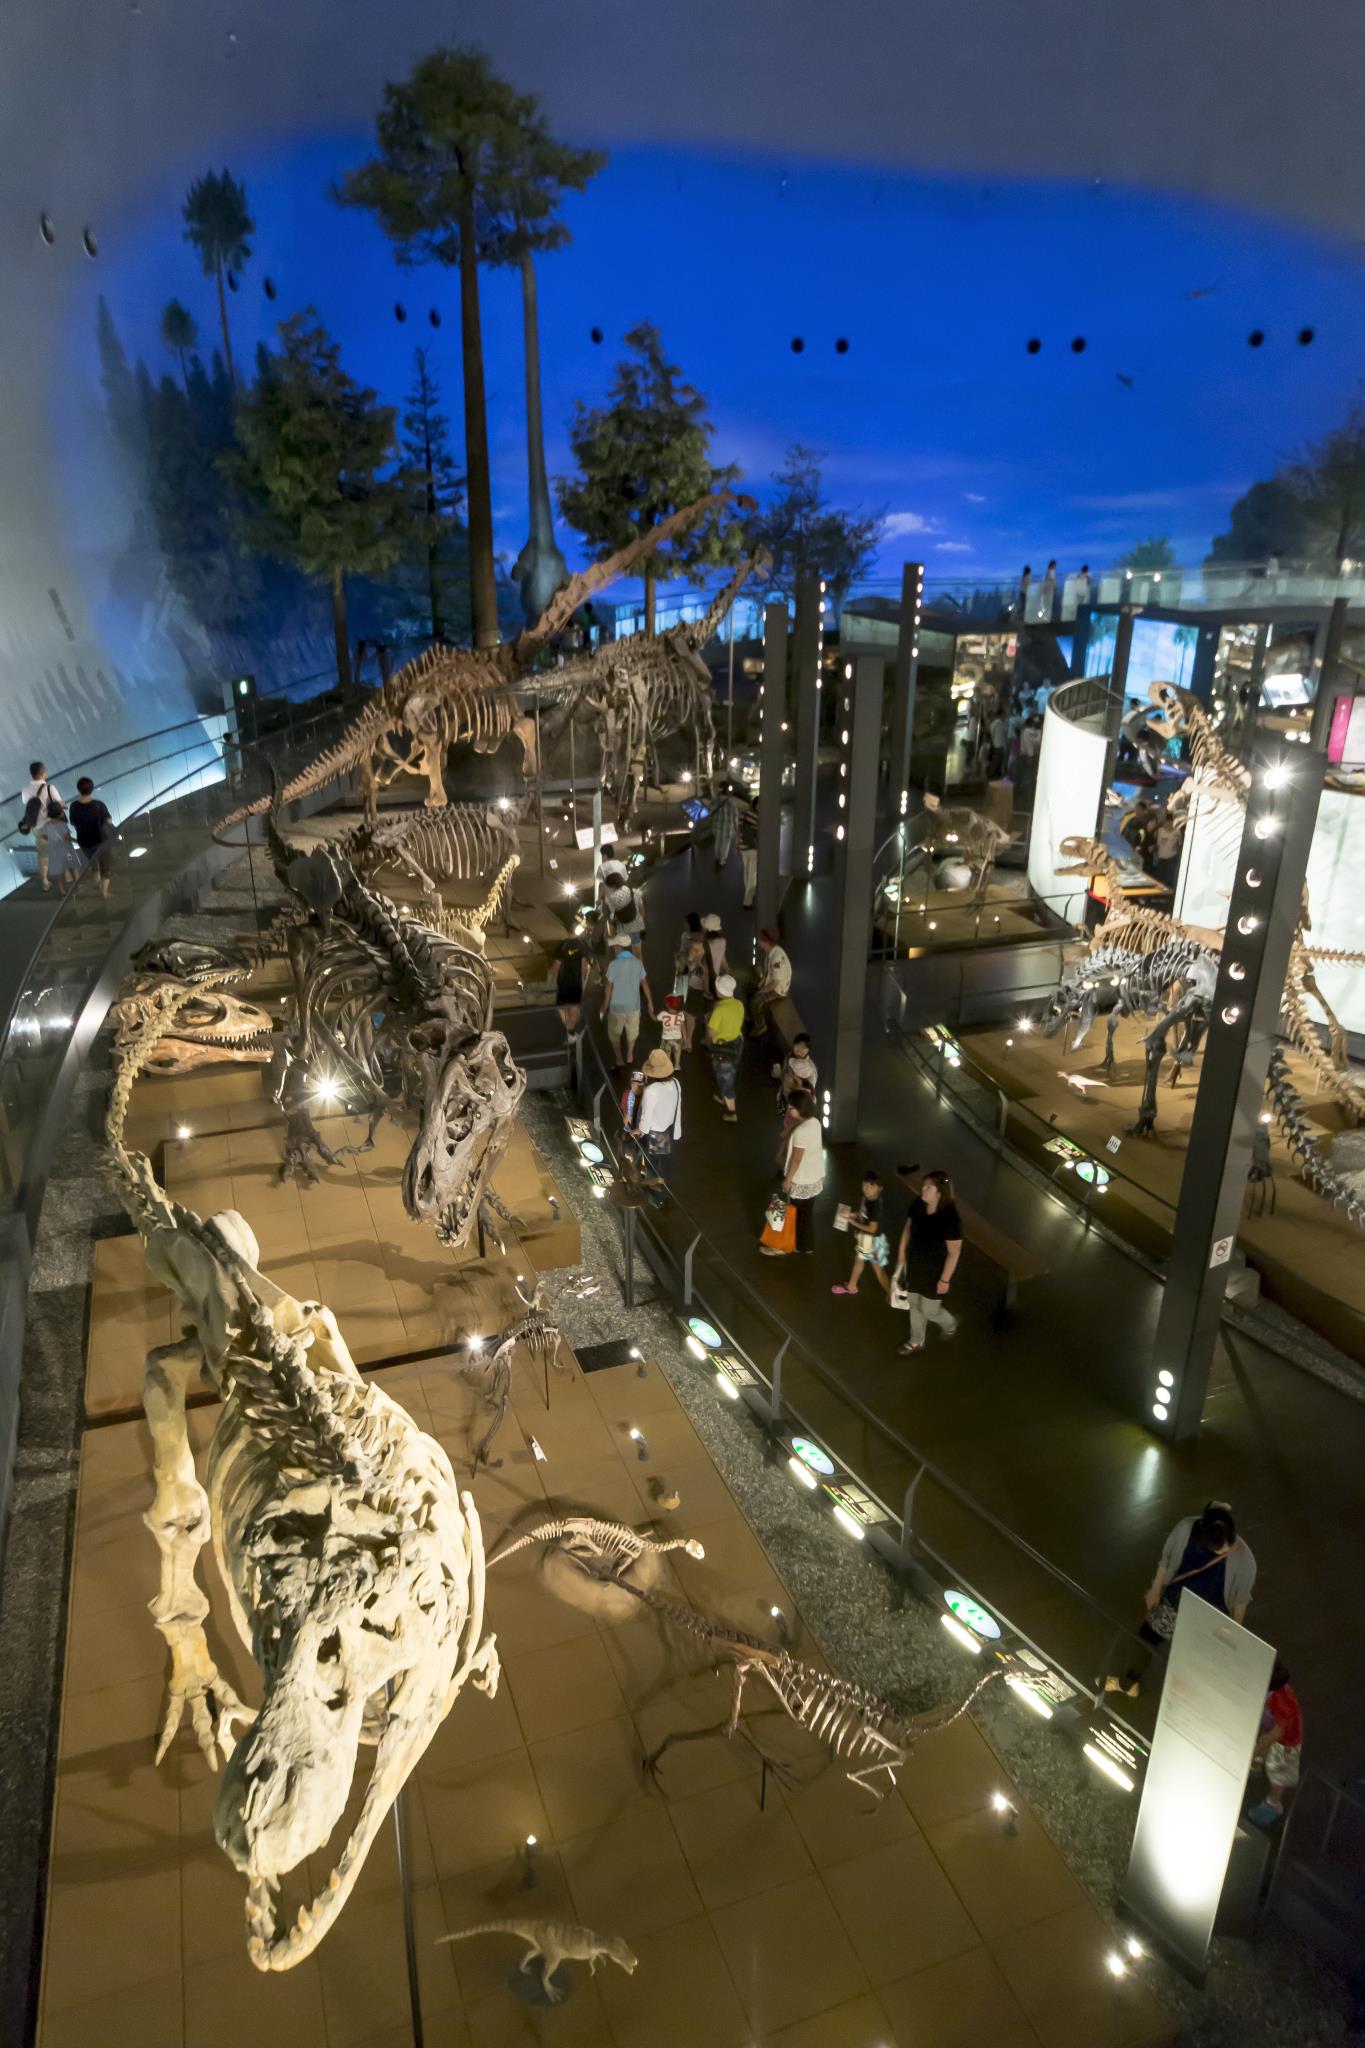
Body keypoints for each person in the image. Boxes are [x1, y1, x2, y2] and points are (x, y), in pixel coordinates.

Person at [1105, 1502, 1256, 1696]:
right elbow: (1166, 1559)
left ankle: (1181, 1707)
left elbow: (1240, 1602)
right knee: (1144, 1641)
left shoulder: (1245, 1560)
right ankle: (1128, 1684)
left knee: (1190, 1667)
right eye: (1219, 1549)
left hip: (1208, 1621)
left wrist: (1232, 1632)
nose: (1227, 1550)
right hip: (1172, 1604)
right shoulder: (1186, 1528)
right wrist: (1155, 1589)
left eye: (1230, 1543)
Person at [894, 1169, 963, 1353]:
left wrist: (945, 1280)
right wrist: (901, 1250)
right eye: (924, 1185)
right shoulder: (919, 1203)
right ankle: (916, 1341)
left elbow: (954, 1252)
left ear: (940, 1192)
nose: (923, 1189)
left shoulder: (950, 1217)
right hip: (915, 1265)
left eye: (928, 1187)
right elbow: (908, 1226)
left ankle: (950, 1323)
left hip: (935, 1272)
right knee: (915, 1304)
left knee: (930, 1310)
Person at [1248, 1660, 1303, 1825]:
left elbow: (1278, 1732)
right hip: (1269, 1726)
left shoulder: (1280, 1701)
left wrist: (1255, 1751)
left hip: (1286, 1743)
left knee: (1279, 1770)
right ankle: (1257, 1765)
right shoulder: (1270, 1693)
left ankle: (1274, 1804)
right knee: (1263, 1744)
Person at [776, 1091, 824, 1253]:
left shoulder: (802, 1131)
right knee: (806, 1214)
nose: (790, 1111)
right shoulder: (815, 1122)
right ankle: (805, 1245)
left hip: (802, 1179)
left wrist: (788, 1179)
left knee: (795, 1214)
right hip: (814, 1176)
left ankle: (789, 1244)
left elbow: (796, 1159)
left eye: (792, 1108)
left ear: (801, 1108)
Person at [832, 1170, 891, 1297]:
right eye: (865, 1185)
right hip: (866, 1239)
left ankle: (892, 1295)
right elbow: (863, 1213)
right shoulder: (867, 1198)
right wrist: (853, 1214)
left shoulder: (875, 1207)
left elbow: (872, 1229)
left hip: (872, 1241)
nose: (867, 1189)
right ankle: (852, 1286)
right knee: (859, 1260)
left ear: (879, 1189)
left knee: (879, 1270)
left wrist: (853, 1223)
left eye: (871, 1186)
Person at [19, 759, 73, 893]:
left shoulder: (25, 790)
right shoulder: (49, 788)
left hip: (36, 827)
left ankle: (45, 881)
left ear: (31, 774)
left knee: (43, 854)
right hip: (52, 824)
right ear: (43, 773)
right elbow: (59, 804)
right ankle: (66, 877)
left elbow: (27, 804)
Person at [602, 935, 654, 1070]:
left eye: (614, 947)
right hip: (634, 1006)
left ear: (619, 947)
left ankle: (619, 1058)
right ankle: (630, 1054)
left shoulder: (613, 964)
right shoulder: (638, 963)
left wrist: (604, 1006)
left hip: (616, 1007)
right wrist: (650, 1002)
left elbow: (608, 988)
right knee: (632, 1032)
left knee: (614, 1033)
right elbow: (645, 984)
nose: (613, 949)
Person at [636, 1047, 683, 1190]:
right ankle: (661, 1182)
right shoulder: (676, 1082)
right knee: (664, 1159)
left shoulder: (651, 1091)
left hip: (656, 1132)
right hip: (670, 1127)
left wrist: (640, 1130)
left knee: (653, 1162)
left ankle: (655, 1187)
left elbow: (647, 1117)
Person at [706, 973, 745, 1124]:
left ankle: (731, 1111)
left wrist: (709, 1021)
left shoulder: (719, 1011)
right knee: (731, 1071)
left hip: (723, 1049)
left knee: (726, 1079)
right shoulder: (739, 1004)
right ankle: (722, 1094)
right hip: (737, 1043)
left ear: (718, 990)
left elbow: (711, 1033)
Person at [69, 776, 114, 896]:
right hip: (100, 840)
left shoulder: (74, 806)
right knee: (105, 866)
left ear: (78, 789)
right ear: (92, 789)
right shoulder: (98, 805)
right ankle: (104, 893)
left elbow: (73, 822)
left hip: (84, 842)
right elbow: (108, 820)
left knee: (94, 864)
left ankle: (96, 882)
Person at [749, 927, 792, 1040]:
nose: (758, 940)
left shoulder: (776, 957)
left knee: (756, 1000)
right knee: (749, 988)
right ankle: (753, 1016)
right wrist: (761, 973)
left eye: (760, 938)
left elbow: (775, 983)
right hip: (772, 984)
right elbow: (770, 975)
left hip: (778, 990)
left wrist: (760, 991)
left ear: (766, 942)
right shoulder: (771, 952)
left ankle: (761, 1026)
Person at [553, 931, 594, 1045]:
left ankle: (570, 1032)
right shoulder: (582, 944)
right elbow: (584, 966)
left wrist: (552, 977)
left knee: (561, 1007)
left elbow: (556, 965)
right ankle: (570, 1032)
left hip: (562, 981)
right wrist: (586, 970)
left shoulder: (562, 945)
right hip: (576, 982)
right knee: (575, 1007)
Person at [599, 861, 645, 942]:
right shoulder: (634, 892)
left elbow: (612, 915)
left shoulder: (610, 899)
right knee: (638, 952)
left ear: (612, 886)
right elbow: (642, 909)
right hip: (638, 926)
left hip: (623, 931)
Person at [777, 1031, 818, 1114]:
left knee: (788, 1121)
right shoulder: (789, 1057)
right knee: (781, 1113)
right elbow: (784, 1074)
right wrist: (778, 1074)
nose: (799, 1049)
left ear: (808, 1050)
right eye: (797, 1045)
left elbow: (809, 1094)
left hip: (795, 1104)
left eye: (803, 1047)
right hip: (783, 1096)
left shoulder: (810, 1070)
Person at [1152, 806, 1185, 889]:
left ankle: (1168, 893)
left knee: (1169, 878)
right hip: (1161, 858)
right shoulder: (1160, 831)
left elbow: (1180, 844)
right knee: (1160, 878)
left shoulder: (1177, 832)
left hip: (1172, 858)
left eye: (1171, 822)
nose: (1169, 824)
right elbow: (1156, 844)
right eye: (1168, 822)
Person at [736, 792, 760, 908]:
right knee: (752, 875)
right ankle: (747, 901)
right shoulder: (759, 817)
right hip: (754, 848)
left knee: (746, 873)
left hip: (743, 847)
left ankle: (748, 894)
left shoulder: (743, 814)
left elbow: (738, 831)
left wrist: (737, 845)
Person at [701, 912, 730, 987]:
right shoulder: (722, 941)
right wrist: (727, 972)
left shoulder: (702, 943)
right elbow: (723, 961)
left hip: (699, 981)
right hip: (714, 981)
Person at [658, 993, 686, 1067]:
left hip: (666, 1038)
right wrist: (685, 1038)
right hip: (677, 1038)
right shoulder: (681, 1014)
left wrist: (651, 1014)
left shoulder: (663, 1014)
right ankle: (677, 1065)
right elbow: (683, 1027)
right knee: (677, 1052)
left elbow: (656, 1019)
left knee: (667, 1052)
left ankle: (669, 1066)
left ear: (667, 1005)